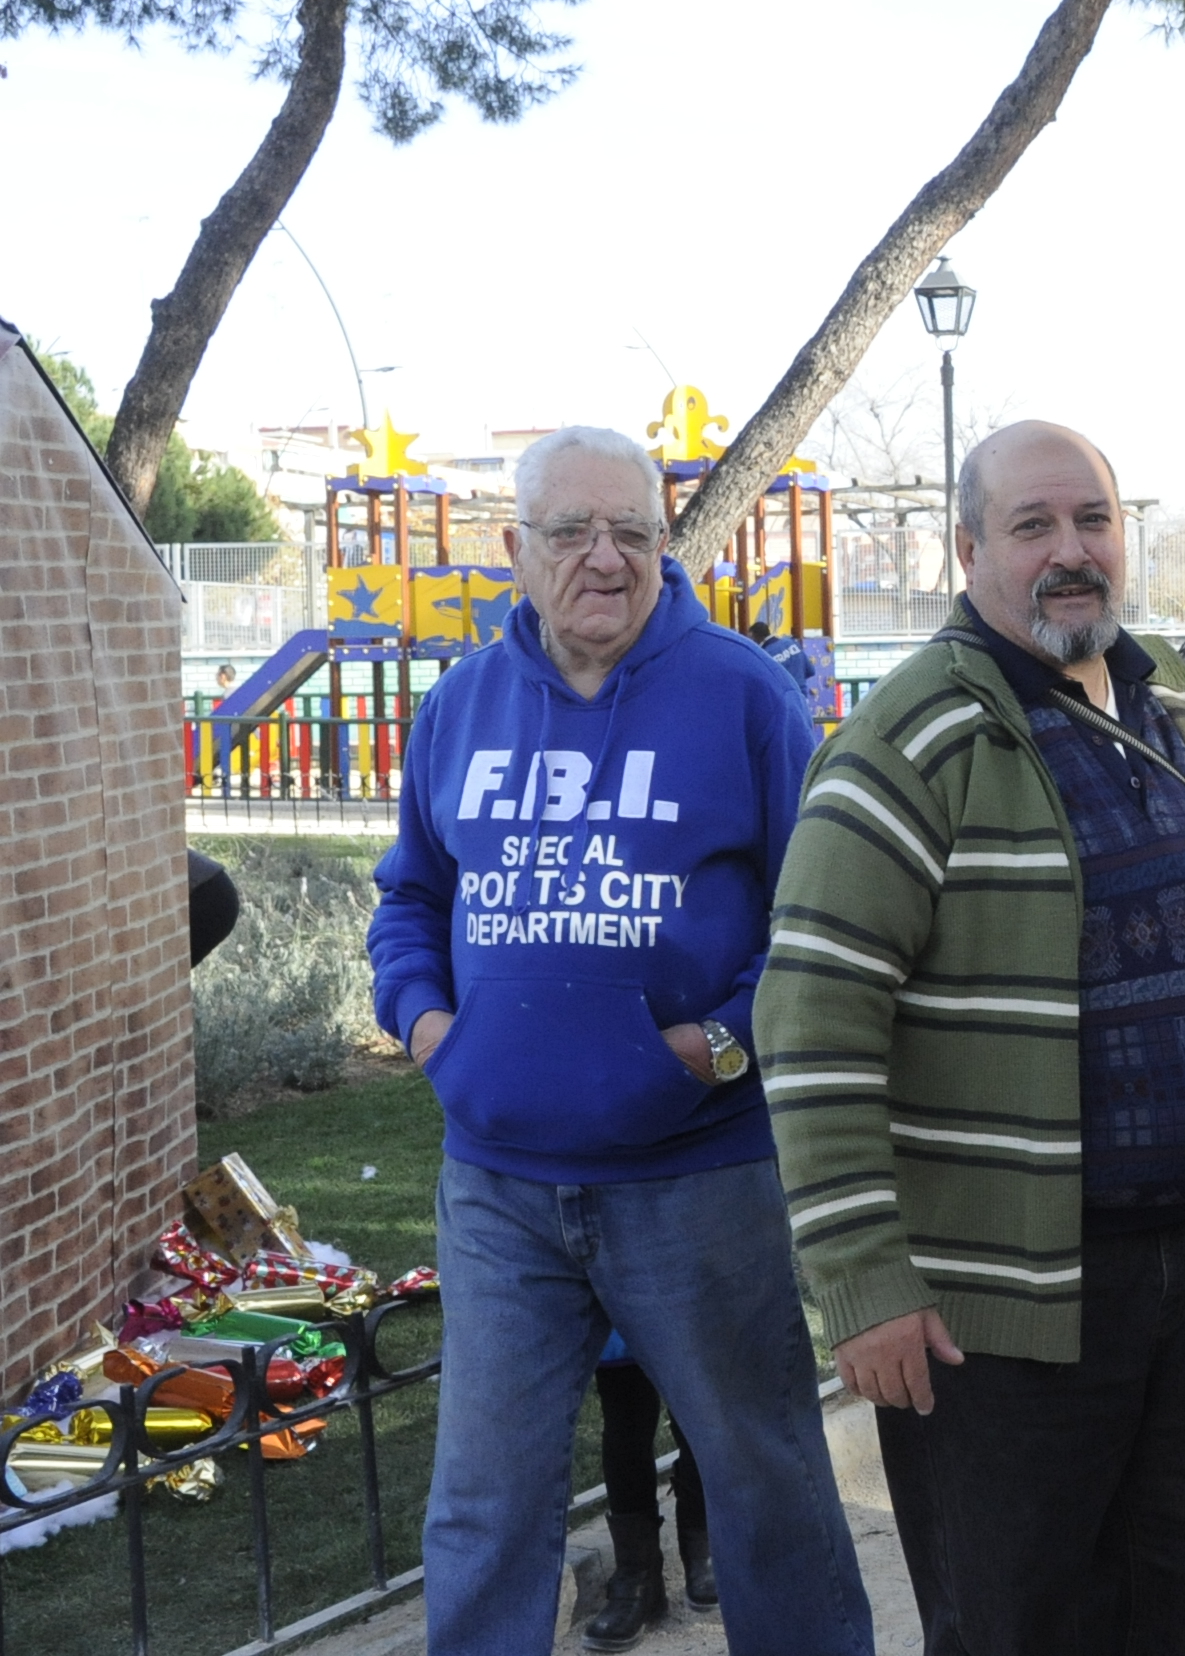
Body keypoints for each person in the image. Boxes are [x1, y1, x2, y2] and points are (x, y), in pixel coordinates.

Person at [755, 420, 1185, 1655]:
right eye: (1032, 526)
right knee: (1018, 1621)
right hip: (1004, 1297)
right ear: (968, 549)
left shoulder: (1174, 708)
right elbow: (811, 1025)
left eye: (1092, 520)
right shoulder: (912, 742)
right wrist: (864, 1286)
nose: (1069, 551)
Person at [366, 425, 871, 1656]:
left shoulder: (746, 695)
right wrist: (430, 1027)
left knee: (768, 1488)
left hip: (696, 1179)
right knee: (483, 1508)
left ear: (664, 543)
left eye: (634, 533)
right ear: (514, 551)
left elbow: (812, 923)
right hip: (497, 1184)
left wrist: (716, 1050)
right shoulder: (459, 710)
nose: (607, 559)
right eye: (573, 534)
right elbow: (410, 897)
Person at [582, 1339, 710, 1653]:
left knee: (696, 1398)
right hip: (614, 1297)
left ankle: (706, 1548)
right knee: (624, 1412)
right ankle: (638, 1577)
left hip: (684, 1295)